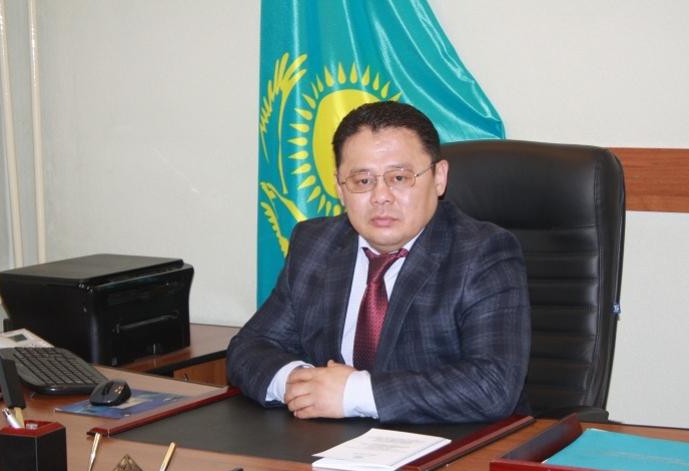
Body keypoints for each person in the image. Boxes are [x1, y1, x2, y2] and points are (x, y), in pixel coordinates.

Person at [227, 101, 530, 424]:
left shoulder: (483, 253)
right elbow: (248, 348)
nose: (381, 196)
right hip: (329, 440)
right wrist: (301, 385)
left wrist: (353, 394)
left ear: (439, 177)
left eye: (399, 177)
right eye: (362, 181)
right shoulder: (314, 245)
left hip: (452, 443)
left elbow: (492, 385)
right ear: (339, 188)